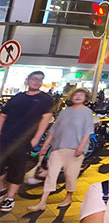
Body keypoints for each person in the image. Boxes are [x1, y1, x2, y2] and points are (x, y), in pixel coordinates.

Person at [28, 88, 96, 211]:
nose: (78, 97)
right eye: (76, 94)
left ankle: (69, 196)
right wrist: (45, 146)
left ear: (86, 99)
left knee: (70, 175)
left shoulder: (87, 112)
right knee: (51, 174)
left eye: (82, 95)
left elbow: (88, 131)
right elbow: (54, 129)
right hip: (58, 148)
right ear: (71, 97)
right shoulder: (65, 112)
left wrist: (81, 147)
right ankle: (42, 202)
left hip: (75, 150)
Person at [0, 71, 54, 212]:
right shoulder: (17, 97)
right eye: (35, 79)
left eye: (40, 80)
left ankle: (10, 198)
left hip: (24, 141)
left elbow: (45, 118)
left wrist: (36, 138)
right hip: (5, 138)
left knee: (16, 169)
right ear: (28, 80)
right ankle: (2, 188)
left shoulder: (45, 99)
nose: (37, 82)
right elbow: (3, 115)